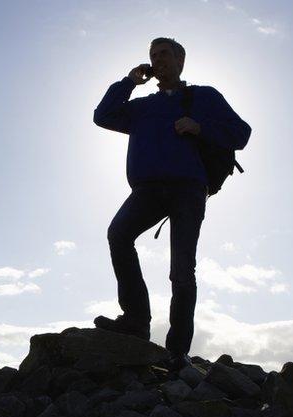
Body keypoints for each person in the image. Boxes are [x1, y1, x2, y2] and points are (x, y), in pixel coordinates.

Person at [92, 37, 252, 371]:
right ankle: (136, 320)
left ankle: (176, 352)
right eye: (153, 55)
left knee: (181, 271)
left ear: (181, 60)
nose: (157, 59)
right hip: (147, 189)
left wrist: (200, 127)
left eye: (164, 53)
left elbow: (241, 133)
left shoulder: (203, 96)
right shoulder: (142, 107)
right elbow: (102, 115)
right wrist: (128, 82)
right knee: (118, 235)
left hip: (188, 189)